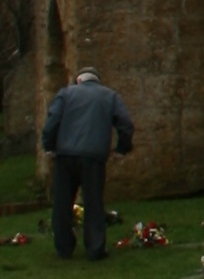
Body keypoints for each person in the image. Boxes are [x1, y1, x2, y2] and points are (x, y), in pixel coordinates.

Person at [41, 64, 135, 261]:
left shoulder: (65, 94)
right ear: (97, 80)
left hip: (65, 155)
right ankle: (95, 248)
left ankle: (64, 247)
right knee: (93, 202)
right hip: (94, 156)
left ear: (79, 80)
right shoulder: (110, 96)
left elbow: (52, 121)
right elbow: (125, 123)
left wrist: (49, 146)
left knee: (62, 203)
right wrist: (121, 148)